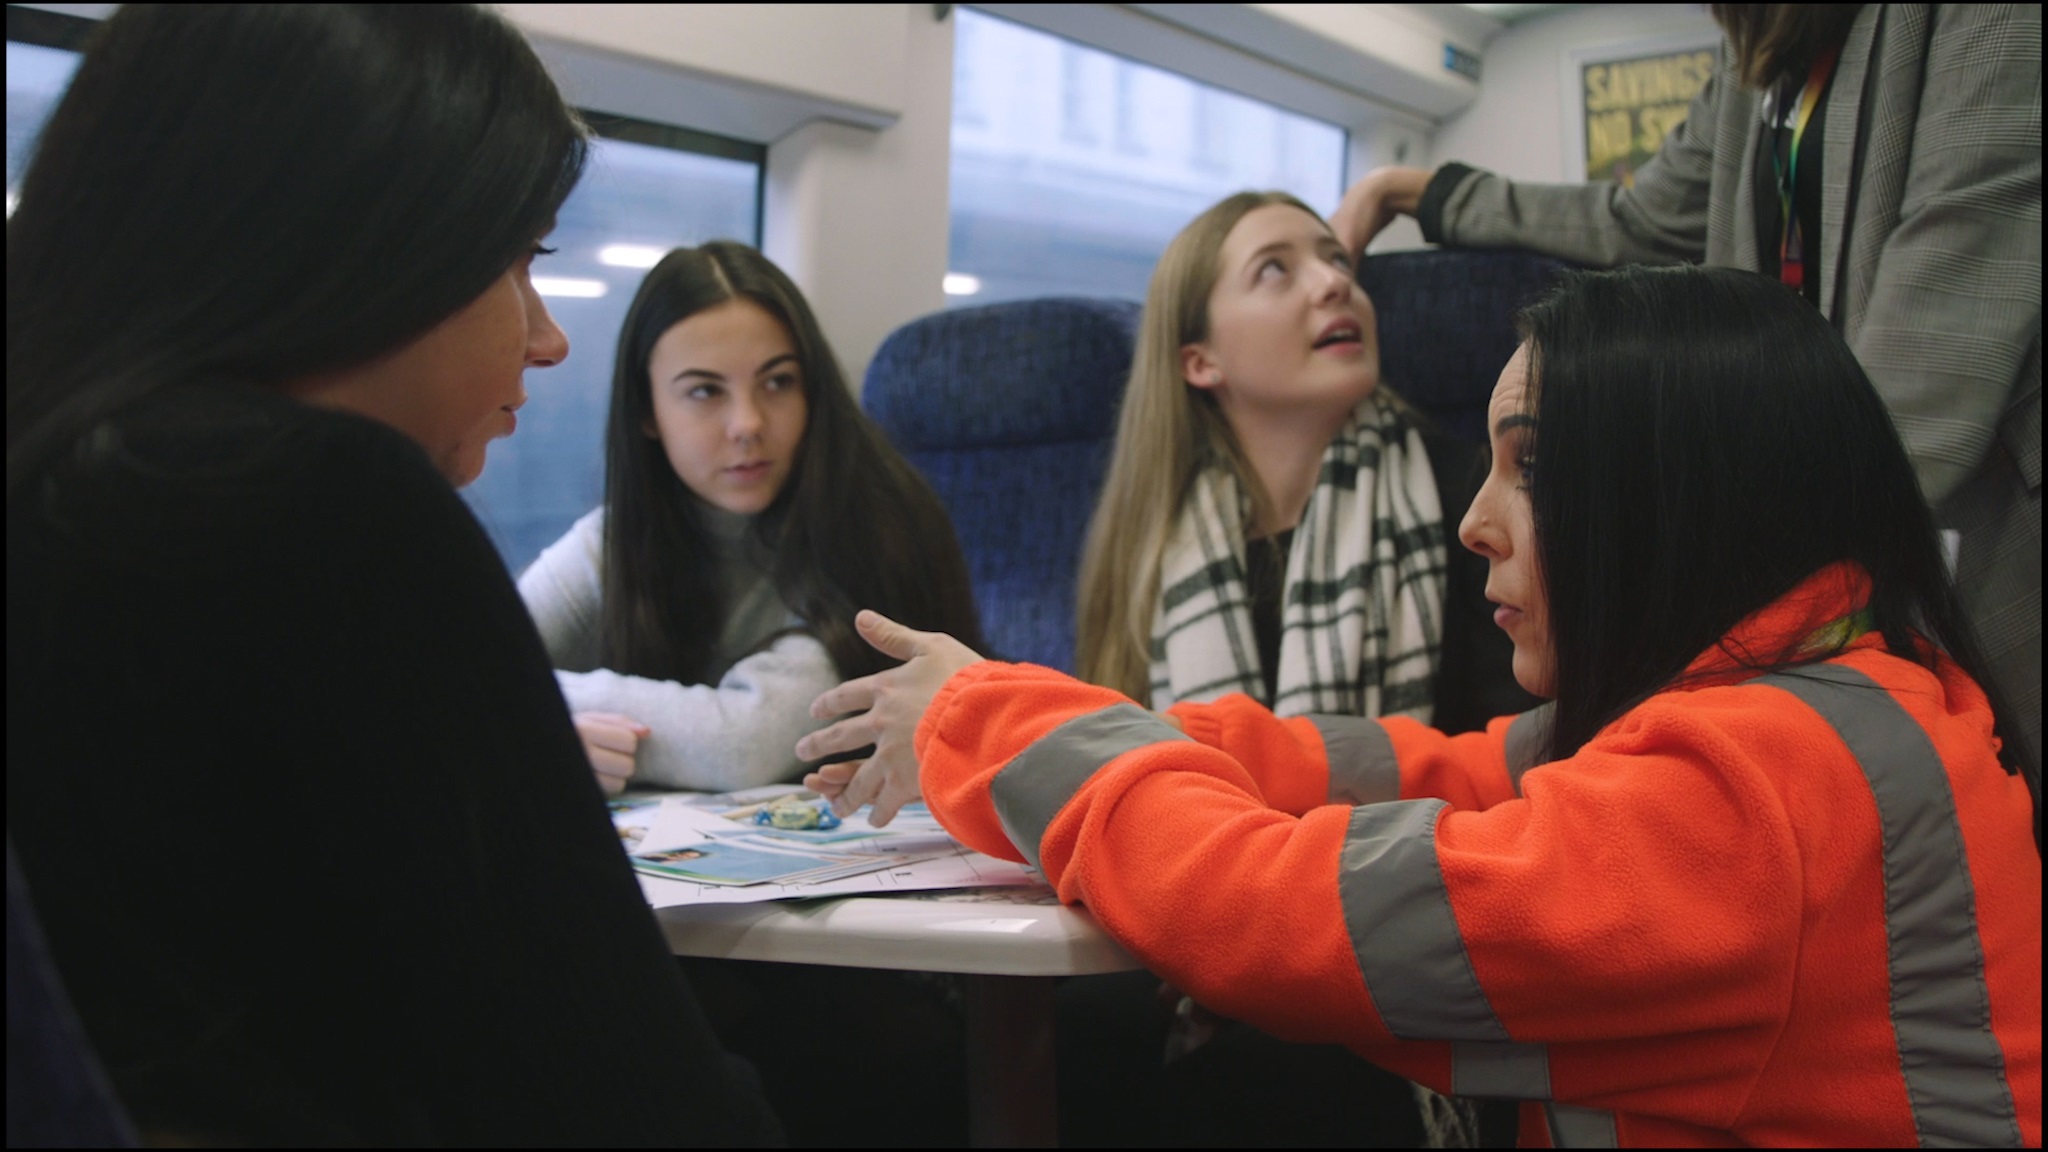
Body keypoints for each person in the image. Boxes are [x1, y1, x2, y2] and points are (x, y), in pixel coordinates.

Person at [800, 265, 2042, 1147]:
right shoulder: (1806, 696)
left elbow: (1283, 912)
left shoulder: (1752, 789)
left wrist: (993, 730)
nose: (1471, 522)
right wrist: (1090, 721)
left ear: (1682, 496)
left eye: (1534, 468)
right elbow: (1431, 772)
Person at [6, 5, 777, 1145]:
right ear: (359, 244)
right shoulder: (314, 504)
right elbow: (637, 1101)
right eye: (520, 261)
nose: (547, 338)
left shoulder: (59, 492)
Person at [809, 189, 1536, 1147]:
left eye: (1335, 260)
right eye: (1278, 269)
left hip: (1370, 932)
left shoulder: (1472, 501)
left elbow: (1493, 765)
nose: (1333, 283)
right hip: (1178, 926)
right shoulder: (1150, 541)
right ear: (1199, 359)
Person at [1332, 3, 2043, 812]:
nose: (1477, 524)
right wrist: (1417, 192)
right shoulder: (1757, 56)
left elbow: (1938, 351)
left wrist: (1676, 578)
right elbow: (1637, 219)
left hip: (1970, 561)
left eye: (1531, 464)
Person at [518, 242, 985, 798]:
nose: (747, 423)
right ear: (647, 412)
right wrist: (539, 727)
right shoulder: (616, 539)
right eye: (704, 391)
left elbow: (742, 744)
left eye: (777, 382)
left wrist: (523, 710)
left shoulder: (876, 525)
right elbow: (457, 661)